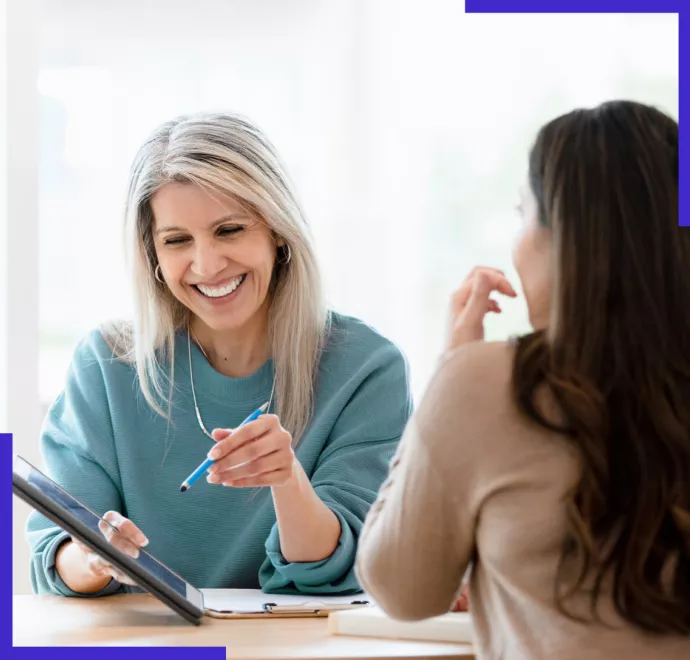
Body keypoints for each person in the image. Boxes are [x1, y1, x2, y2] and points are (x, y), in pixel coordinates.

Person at [27, 112, 412, 597]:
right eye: (177, 241)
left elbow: (339, 567)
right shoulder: (104, 366)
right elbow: (54, 557)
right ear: (153, 256)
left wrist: (287, 479)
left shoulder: (366, 370)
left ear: (277, 230)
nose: (207, 265)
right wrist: (92, 555)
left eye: (229, 230)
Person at [356, 100, 690, 658]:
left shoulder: (488, 385)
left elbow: (403, 589)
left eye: (521, 213)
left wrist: (449, 375)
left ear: (565, 237)